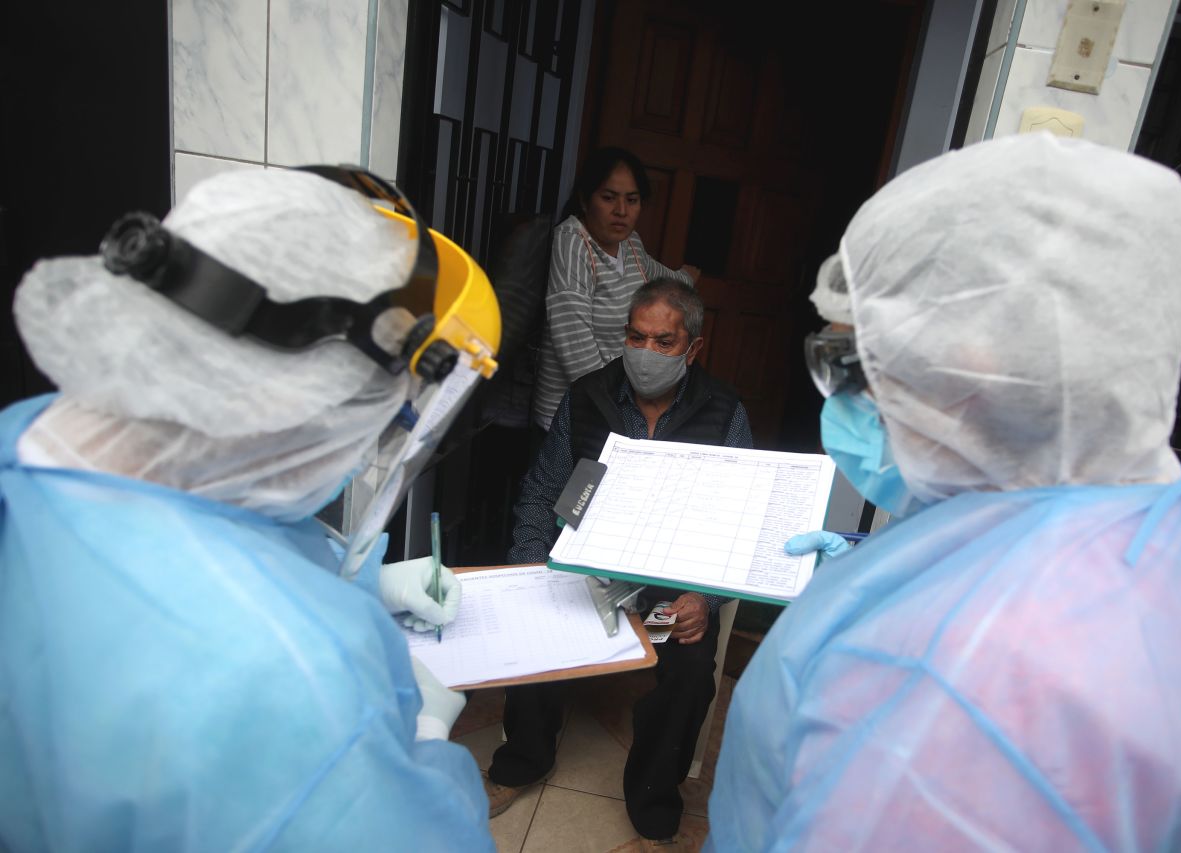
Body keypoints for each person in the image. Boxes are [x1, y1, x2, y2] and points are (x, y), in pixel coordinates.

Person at [707, 133, 1181, 851]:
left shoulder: (959, 696)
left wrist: (903, 631)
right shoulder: (1177, 516)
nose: (847, 399)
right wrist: (891, 577)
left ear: (980, 371)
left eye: (855, 362)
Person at [0, 168, 495, 851]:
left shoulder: (31, 437)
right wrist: (422, 742)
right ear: (288, 402)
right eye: (378, 417)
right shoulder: (297, 688)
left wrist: (369, 582)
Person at [487, 278, 750, 845]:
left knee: (687, 669)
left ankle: (654, 792)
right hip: (588, 573)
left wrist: (702, 599)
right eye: (636, 337)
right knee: (536, 629)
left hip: (665, 591)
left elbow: (736, 526)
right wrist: (534, 570)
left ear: (693, 347)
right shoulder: (587, 398)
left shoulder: (724, 411)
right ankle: (524, 758)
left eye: (664, 342)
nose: (646, 353)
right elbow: (542, 493)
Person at [532, 146, 700, 432]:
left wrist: (686, 277)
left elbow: (659, 276)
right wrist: (622, 410)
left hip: (615, 411)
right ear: (585, 200)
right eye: (608, 198)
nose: (621, 211)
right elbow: (575, 349)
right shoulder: (573, 242)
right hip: (571, 418)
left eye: (632, 200)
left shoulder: (631, 244)